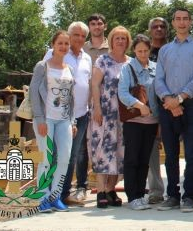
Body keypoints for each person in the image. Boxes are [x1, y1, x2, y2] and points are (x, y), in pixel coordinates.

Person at [155, 8, 193, 212]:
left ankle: (189, 197)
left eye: (186, 19)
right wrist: (169, 100)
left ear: (191, 22)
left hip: (191, 105)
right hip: (167, 105)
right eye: (178, 19)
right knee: (170, 154)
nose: (182, 22)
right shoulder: (164, 50)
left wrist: (179, 99)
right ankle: (172, 195)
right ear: (173, 22)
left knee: (192, 154)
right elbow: (158, 78)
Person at [42, 22, 92, 207]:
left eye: (82, 36)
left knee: (69, 156)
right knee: (51, 155)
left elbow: (87, 83)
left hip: (80, 114)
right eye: (75, 35)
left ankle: (61, 194)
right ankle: (45, 196)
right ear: (69, 36)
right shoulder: (54, 54)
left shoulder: (87, 58)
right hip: (54, 114)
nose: (79, 39)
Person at [32, 30, 77, 213]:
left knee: (64, 159)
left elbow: (71, 97)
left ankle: (55, 196)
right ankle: (43, 198)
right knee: (46, 159)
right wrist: (40, 119)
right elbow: (33, 93)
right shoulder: (43, 66)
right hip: (46, 119)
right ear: (53, 45)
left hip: (64, 119)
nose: (64, 47)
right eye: (60, 43)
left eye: (66, 44)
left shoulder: (69, 69)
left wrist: (73, 121)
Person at [89, 26, 130, 209]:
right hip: (104, 111)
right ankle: (101, 191)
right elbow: (95, 84)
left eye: (123, 38)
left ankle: (112, 189)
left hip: (123, 114)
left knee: (120, 151)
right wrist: (97, 108)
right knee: (102, 149)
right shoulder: (103, 60)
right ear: (111, 41)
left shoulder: (131, 62)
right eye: (117, 38)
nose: (120, 41)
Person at [117, 34, 160, 210]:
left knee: (144, 160)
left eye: (145, 50)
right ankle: (132, 195)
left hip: (152, 121)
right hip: (134, 120)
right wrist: (139, 105)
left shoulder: (156, 68)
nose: (142, 53)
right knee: (132, 158)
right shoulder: (127, 68)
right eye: (139, 50)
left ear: (150, 50)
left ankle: (141, 194)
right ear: (134, 50)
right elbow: (122, 93)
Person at [145, 17, 167, 204]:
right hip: (150, 107)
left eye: (162, 26)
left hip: (172, 106)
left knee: (174, 151)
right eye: (155, 26)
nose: (159, 29)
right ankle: (156, 191)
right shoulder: (143, 52)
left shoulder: (172, 50)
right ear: (150, 30)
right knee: (152, 152)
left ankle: (177, 190)